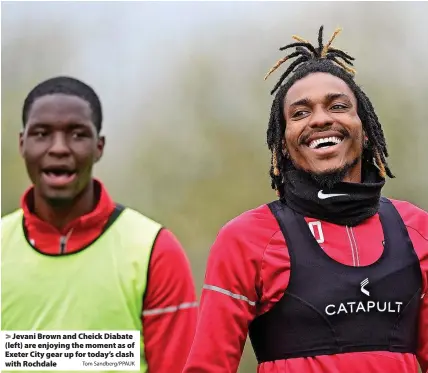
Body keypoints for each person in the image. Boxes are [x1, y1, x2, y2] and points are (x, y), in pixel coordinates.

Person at [182, 26, 428, 373]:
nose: (321, 119)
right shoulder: (246, 238)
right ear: (282, 143)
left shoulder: (417, 229)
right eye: (299, 113)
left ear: (366, 128)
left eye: (338, 106)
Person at [1, 76, 198, 373]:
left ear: (99, 146)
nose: (59, 148)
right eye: (41, 133)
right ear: (22, 143)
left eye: (77, 134)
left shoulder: (153, 250)